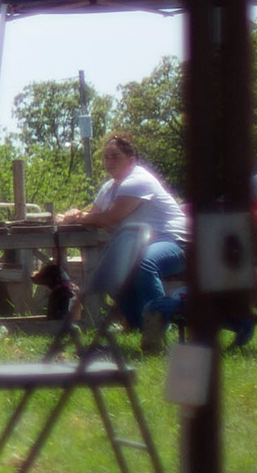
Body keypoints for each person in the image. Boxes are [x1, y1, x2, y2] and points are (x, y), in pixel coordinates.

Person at [56, 129, 189, 333]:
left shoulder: (138, 181)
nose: (109, 162)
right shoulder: (109, 188)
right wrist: (73, 215)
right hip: (145, 244)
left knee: (144, 264)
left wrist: (80, 217)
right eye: (106, 157)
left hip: (176, 242)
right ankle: (138, 326)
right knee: (112, 269)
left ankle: (159, 325)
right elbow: (94, 216)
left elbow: (109, 217)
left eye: (115, 157)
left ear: (131, 160)